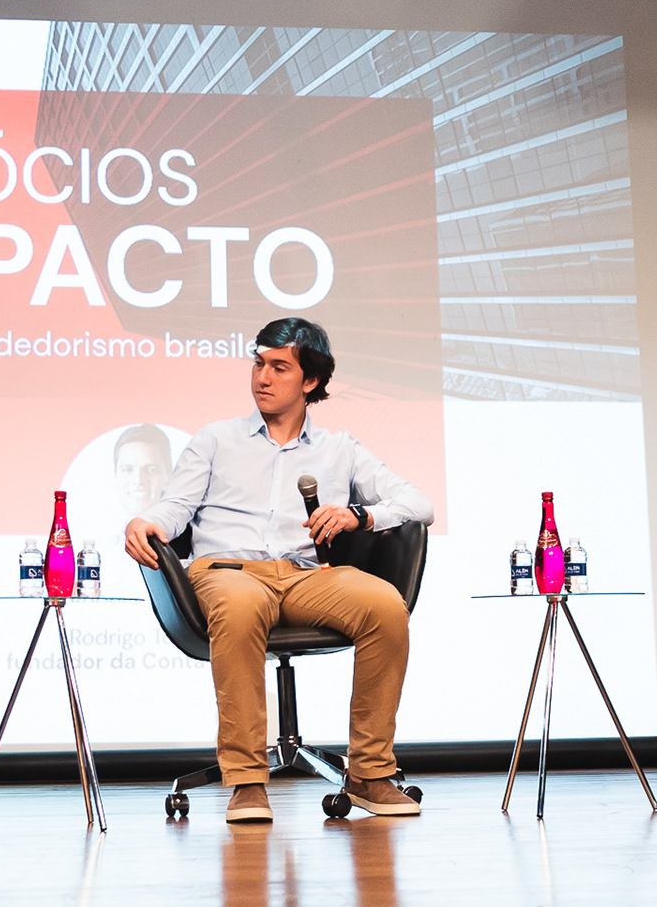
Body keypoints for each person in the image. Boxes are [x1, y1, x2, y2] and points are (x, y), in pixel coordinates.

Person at [125, 318, 435, 823]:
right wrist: (146, 521)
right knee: (241, 604)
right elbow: (175, 507)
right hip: (226, 570)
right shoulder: (216, 439)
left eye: (278, 367)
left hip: (305, 575)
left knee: (385, 606)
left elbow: (419, 504)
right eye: (258, 364)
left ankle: (369, 773)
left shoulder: (340, 448)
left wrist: (360, 515)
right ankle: (247, 780)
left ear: (310, 380)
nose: (262, 377)